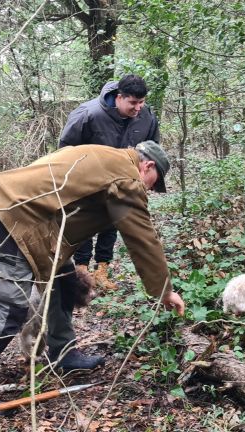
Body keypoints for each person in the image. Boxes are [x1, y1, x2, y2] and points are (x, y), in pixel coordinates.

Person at [0, 140, 185, 420]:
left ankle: (63, 353)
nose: (148, 189)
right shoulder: (126, 177)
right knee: (11, 307)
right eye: (152, 183)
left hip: (33, 219)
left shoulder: (105, 155)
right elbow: (142, 238)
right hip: (21, 220)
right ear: (147, 166)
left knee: (64, 280)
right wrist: (164, 290)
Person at [58, 74, 160, 290]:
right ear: (119, 97)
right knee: (84, 224)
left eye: (141, 102)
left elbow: (153, 148)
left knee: (112, 224)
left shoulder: (146, 116)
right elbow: (65, 149)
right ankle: (82, 271)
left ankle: (102, 270)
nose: (138, 108)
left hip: (123, 182)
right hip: (86, 182)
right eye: (133, 103)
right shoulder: (88, 114)